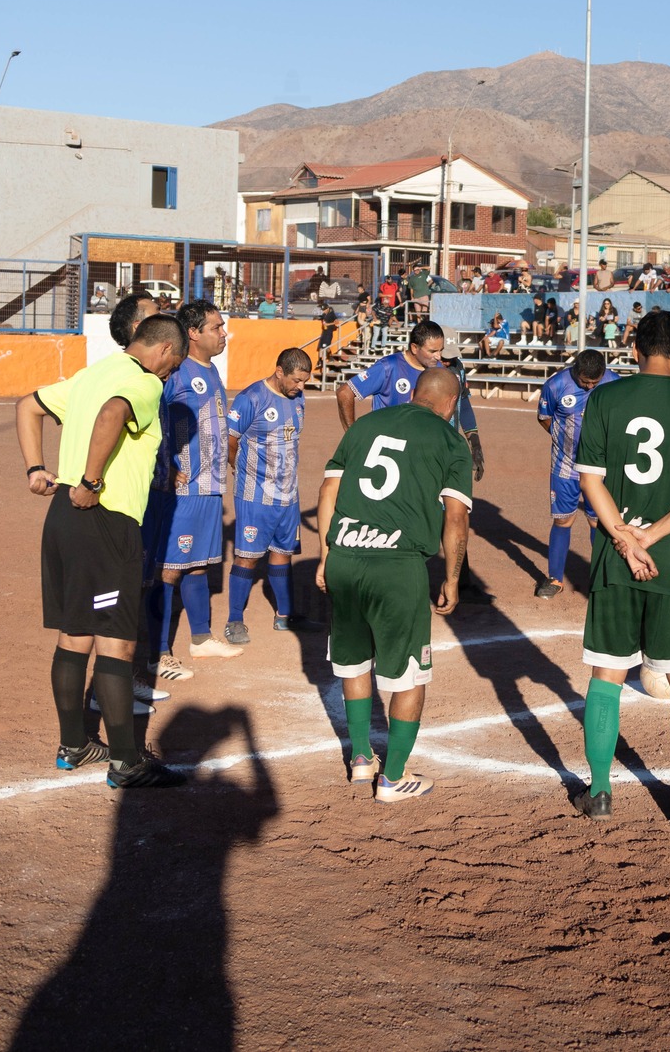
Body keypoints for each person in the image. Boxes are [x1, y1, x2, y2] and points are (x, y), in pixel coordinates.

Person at [14, 313, 189, 789]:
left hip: (63, 521)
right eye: (172, 367)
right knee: (116, 640)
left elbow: (27, 405)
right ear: (164, 352)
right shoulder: (143, 382)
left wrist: (36, 468)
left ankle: (73, 745)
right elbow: (115, 413)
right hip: (105, 518)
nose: (169, 375)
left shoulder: (92, 374)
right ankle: (127, 762)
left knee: (73, 634)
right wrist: (92, 481)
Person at [570, 311, 670, 827]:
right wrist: (652, 537)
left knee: (607, 674)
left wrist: (623, 535)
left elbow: (590, 481)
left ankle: (598, 793)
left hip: (616, 559)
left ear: (635, 349)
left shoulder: (606, 398)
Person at [315, 367, 473, 802]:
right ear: (450, 403)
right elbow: (456, 520)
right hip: (398, 567)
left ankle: (362, 758)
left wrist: (327, 555)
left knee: (354, 662)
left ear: (414, 392)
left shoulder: (366, 424)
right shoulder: (450, 441)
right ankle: (393, 777)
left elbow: (328, 490)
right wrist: (453, 579)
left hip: (345, 557)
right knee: (408, 676)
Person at [145, 302, 241, 670]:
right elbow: (150, 418)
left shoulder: (211, 370)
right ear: (193, 333)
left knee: (199, 564)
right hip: (180, 489)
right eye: (216, 327)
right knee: (168, 569)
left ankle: (200, 638)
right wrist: (164, 467)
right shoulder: (176, 373)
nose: (223, 334)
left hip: (210, 486)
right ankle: (157, 652)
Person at [225, 348, 317, 637]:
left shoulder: (297, 398)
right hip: (255, 495)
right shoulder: (251, 398)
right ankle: (234, 620)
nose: (301, 387)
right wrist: (239, 471)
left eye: (304, 381)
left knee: (282, 554)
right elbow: (230, 440)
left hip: (288, 494)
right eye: (296, 380)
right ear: (279, 371)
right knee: (248, 557)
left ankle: (285, 615)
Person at [535, 349, 620, 600]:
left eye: (595, 382)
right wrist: (565, 442)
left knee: (599, 520)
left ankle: (601, 577)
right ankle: (555, 579)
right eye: (585, 382)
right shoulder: (556, 385)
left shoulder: (615, 383)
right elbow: (544, 418)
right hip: (565, 465)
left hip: (602, 468)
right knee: (563, 520)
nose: (590, 386)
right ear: (575, 371)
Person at [339, 320, 445, 426]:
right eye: (433, 351)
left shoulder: (439, 369)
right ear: (414, 348)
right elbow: (344, 392)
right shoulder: (388, 366)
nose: (438, 356)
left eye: (441, 350)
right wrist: (351, 434)